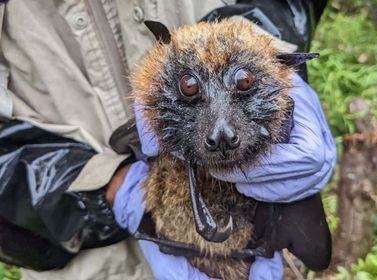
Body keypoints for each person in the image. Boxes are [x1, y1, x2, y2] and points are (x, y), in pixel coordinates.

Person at [0, 0, 333, 279]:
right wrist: (110, 187)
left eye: (244, 83)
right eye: (189, 90)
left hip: (256, 231)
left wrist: (265, 41)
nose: (221, 133)